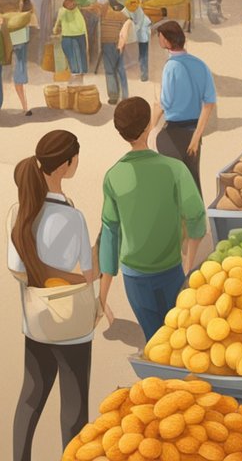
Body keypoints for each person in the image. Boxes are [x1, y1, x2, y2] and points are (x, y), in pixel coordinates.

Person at [7, 130, 97, 461]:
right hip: (72, 325)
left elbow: (16, 269)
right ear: (67, 164)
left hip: (37, 321)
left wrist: (43, 275)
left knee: (31, 396)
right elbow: (88, 274)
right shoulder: (73, 217)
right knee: (74, 405)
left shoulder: (20, 213)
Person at [99, 98, 207, 340]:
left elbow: (110, 234)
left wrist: (102, 294)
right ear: (149, 125)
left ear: (121, 132)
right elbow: (197, 217)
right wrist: (188, 265)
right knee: (178, 340)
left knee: (155, 341)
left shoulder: (113, 176)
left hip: (134, 279)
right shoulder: (174, 169)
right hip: (171, 272)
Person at [153, 21, 217, 195]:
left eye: (159, 36)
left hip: (173, 133)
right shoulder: (200, 65)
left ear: (166, 40)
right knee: (193, 180)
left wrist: (150, 125)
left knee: (173, 184)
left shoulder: (170, 67)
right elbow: (209, 103)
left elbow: (165, 103)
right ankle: (196, 219)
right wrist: (197, 135)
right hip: (193, 131)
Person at [100, 2, 129, 106]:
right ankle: (125, 96)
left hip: (108, 43)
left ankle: (113, 97)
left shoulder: (104, 12)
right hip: (118, 44)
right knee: (120, 70)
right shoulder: (123, 15)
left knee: (110, 71)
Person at [11, 0, 35, 117]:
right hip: (21, 46)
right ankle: (25, 106)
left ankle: (25, 107)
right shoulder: (26, 16)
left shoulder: (19, 17)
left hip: (18, 47)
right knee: (19, 78)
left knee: (18, 79)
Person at [53, 0, 88, 78]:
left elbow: (57, 23)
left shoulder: (69, 10)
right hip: (75, 35)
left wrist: (55, 30)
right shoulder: (73, 11)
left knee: (75, 55)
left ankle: (78, 72)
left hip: (72, 36)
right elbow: (83, 25)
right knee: (77, 55)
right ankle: (79, 72)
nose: (72, 5)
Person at [121, 0, 152, 82]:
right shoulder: (124, 11)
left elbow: (139, 24)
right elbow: (124, 22)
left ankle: (144, 74)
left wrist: (131, 30)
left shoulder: (139, 11)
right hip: (133, 30)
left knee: (143, 53)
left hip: (142, 31)